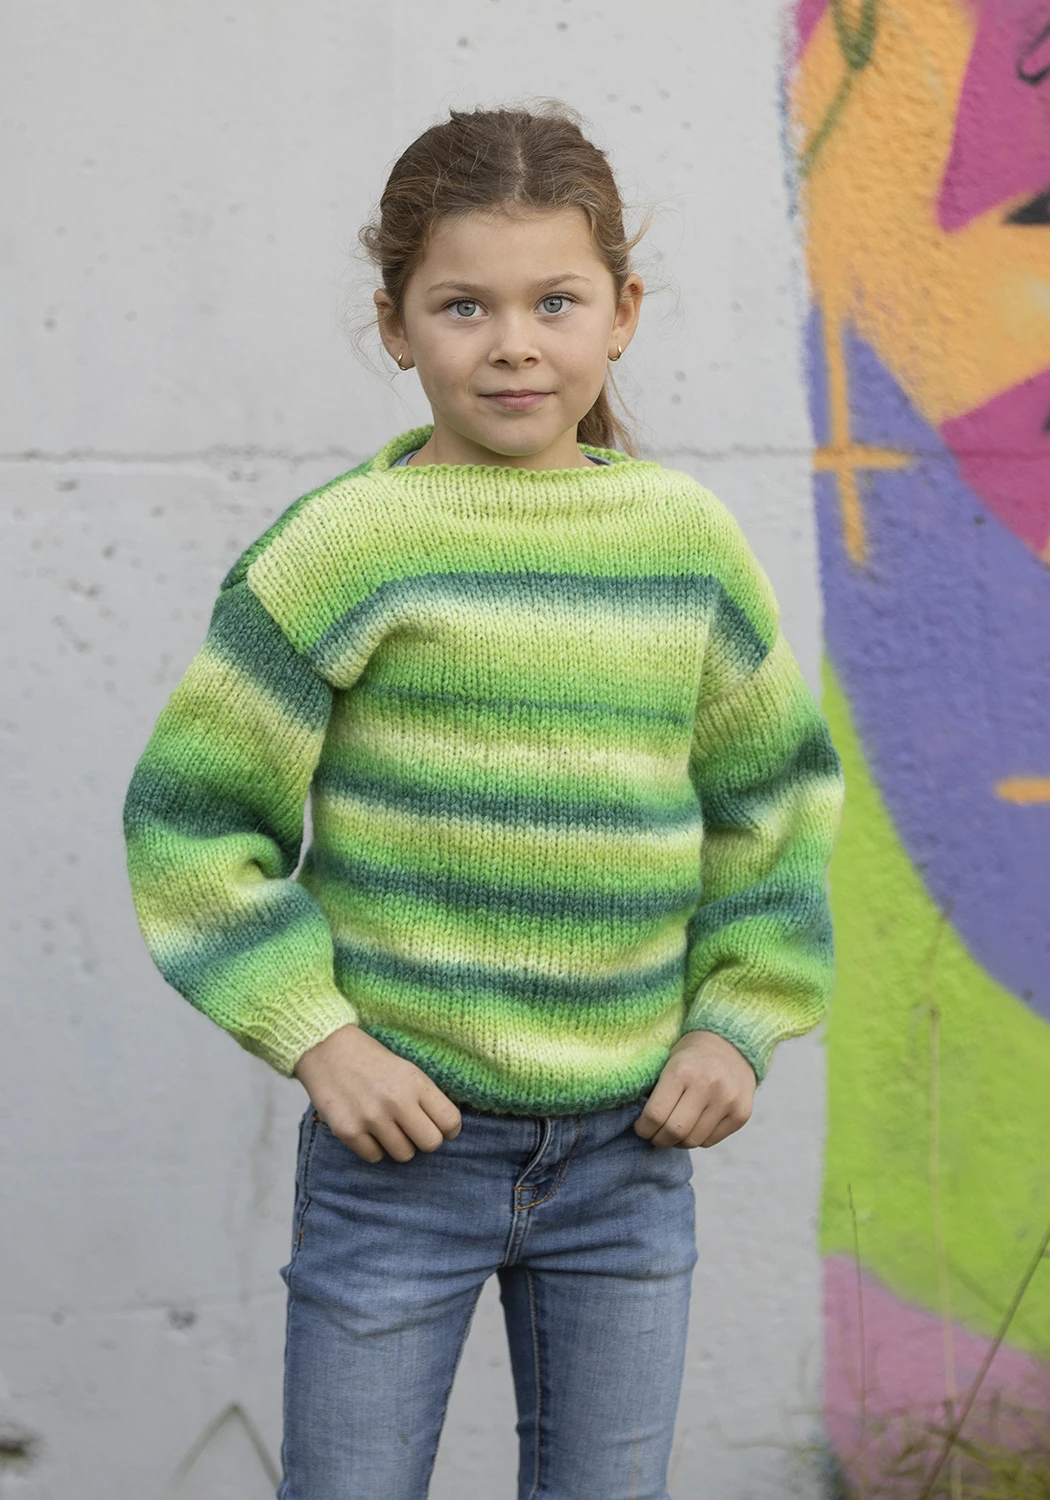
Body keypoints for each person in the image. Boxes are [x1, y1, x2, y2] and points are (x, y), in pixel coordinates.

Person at [122, 101, 845, 1500]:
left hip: (630, 1156)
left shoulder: (683, 543)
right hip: (404, 1156)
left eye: (554, 301)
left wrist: (740, 1020)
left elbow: (774, 802)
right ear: (394, 326)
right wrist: (319, 1038)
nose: (513, 343)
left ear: (622, 313)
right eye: (464, 305)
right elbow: (194, 822)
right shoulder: (343, 549)